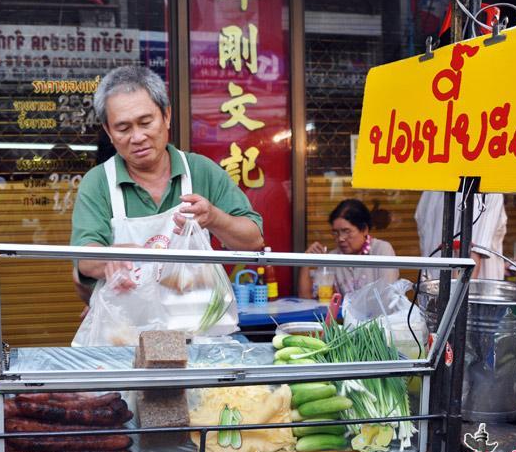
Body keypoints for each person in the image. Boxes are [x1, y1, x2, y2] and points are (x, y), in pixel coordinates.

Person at [70, 65, 263, 295]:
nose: (138, 137)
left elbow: (253, 241)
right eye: (123, 128)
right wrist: (110, 258)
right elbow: (83, 259)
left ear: (167, 116)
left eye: (145, 122)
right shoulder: (98, 183)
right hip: (128, 326)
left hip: (198, 325)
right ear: (109, 132)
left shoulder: (201, 171)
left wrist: (214, 218)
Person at [297, 199, 398, 297]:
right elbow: (306, 296)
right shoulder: (333, 258)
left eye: (347, 231)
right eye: (335, 232)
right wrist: (306, 261)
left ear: (364, 229)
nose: (340, 238)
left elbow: (387, 295)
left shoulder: (381, 250)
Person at [415, 191, 508, 280]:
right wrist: (457, 296)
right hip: (473, 293)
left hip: (431, 288)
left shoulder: (431, 187)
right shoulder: (483, 187)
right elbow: (469, 258)